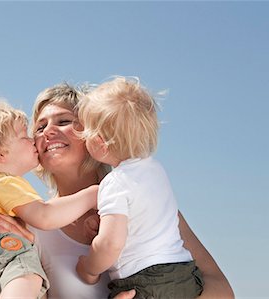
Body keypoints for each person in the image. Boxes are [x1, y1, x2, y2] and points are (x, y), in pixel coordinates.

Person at [0, 82, 234, 298]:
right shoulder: (31, 228)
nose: (47, 132)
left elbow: (222, 289)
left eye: (64, 121)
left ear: (98, 134)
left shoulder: (146, 201)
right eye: (40, 127)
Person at [0, 99, 100, 298]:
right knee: (26, 276)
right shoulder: (4, 182)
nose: (34, 140)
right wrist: (94, 195)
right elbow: (45, 215)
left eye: (63, 121)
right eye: (25, 135)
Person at [75, 76, 204, 298]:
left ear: (98, 142)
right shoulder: (157, 171)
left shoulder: (114, 182)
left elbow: (110, 244)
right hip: (185, 273)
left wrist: (88, 269)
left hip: (146, 283)